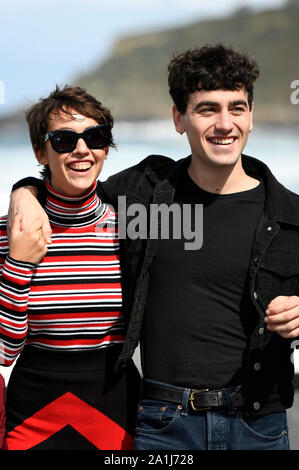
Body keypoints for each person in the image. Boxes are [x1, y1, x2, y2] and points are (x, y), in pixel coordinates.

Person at [8, 44, 299, 450]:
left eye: (237, 108)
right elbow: (72, 186)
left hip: (258, 423)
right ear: (179, 119)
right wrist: (25, 192)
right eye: (206, 109)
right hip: (165, 424)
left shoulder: (290, 217)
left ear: (251, 116)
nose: (224, 123)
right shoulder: (143, 197)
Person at [0, 85, 140, 450]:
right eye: (63, 139)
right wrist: (19, 261)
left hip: (117, 405)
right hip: (32, 412)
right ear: (40, 151)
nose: (81, 149)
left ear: (105, 147)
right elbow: (4, 350)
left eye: (94, 137)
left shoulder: (134, 228)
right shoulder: (8, 232)